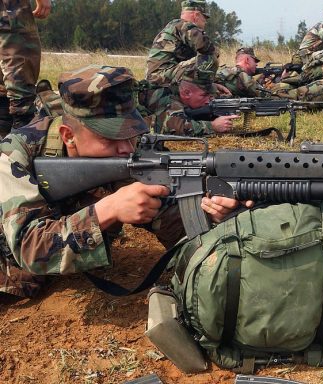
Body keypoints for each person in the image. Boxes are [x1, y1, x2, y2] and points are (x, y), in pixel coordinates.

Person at [0, 65, 246, 299]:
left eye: (131, 132)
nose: (126, 147)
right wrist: (110, 209)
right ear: (68, 136)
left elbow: (170, 212)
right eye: (111, 137)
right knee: (24, 279)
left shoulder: (126, 150)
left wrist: (212, 211)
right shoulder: (15, 155)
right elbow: (29, 249)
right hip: (11, 261)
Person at [145, 0, 228, 96]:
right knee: (209, 58)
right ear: (196, 15)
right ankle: (205, 93)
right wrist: (211, 86)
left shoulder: (174, 26)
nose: (205, 22)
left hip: (157, 79)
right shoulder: (184, 25)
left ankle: (202, 91)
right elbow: (206, 48)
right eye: (204, 17)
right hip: (160, 79)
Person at [140, 60, 239, 136]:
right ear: (187, 93)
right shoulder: (167, 97)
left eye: (210, 95)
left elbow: (197, 94)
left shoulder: (179, 89)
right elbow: (174, 127)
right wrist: (212, 126)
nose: (209, 100)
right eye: (204, 95)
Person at [0, 0, 51, 138]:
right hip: (10, 7)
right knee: (21, 93)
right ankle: (22, 142)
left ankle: (7, 139)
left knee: (3, 92)